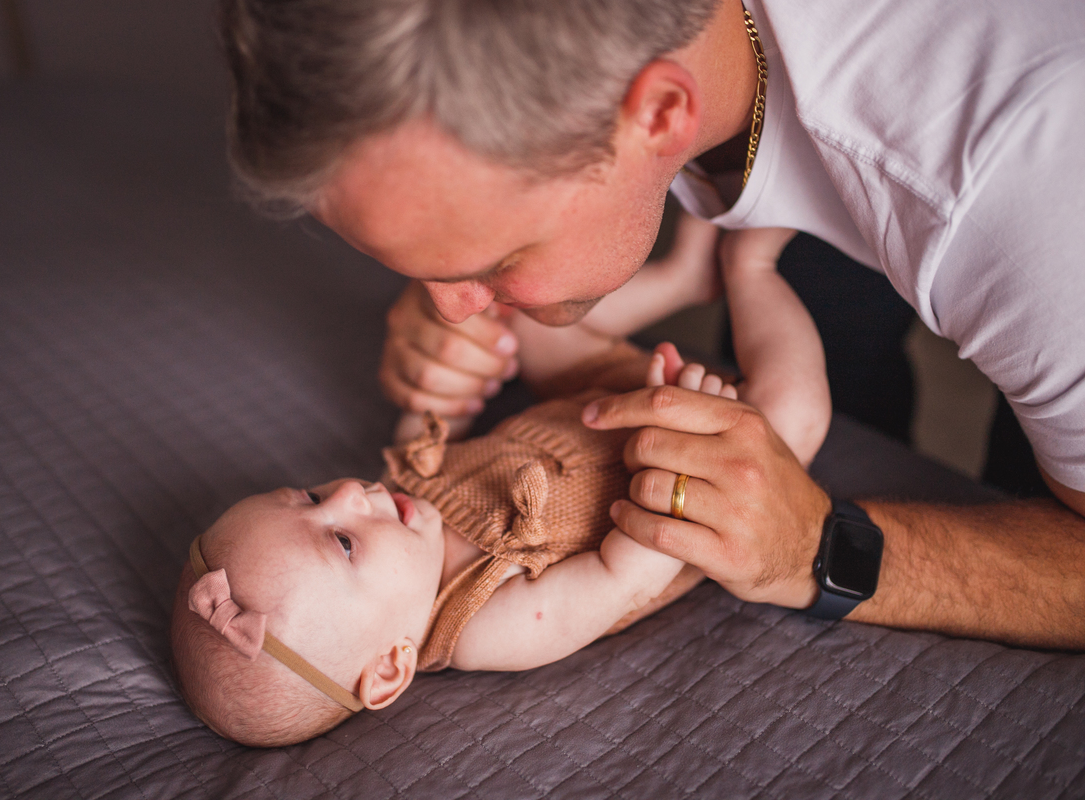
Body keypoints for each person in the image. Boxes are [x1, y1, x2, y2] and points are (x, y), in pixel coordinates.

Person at [218, 0, 1085, 649]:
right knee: (841, 332)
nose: (442, 306)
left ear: (661, 116)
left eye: (488, 261)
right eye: (417, 269)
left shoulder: (1023, 207)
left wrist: (816, 546)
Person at [171, 225, 824, 745]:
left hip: (592, 402)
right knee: (793, 419)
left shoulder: (403, 490)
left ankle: (680, 278)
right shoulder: (487, 627)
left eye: (309, 497)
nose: (348, 493)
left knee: (527, 321)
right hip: (678, 487)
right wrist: (684, 455)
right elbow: (622, 576)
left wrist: (459, 359)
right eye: (342, 543)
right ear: (392, 666)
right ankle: (751, 270)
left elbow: (440, 403)